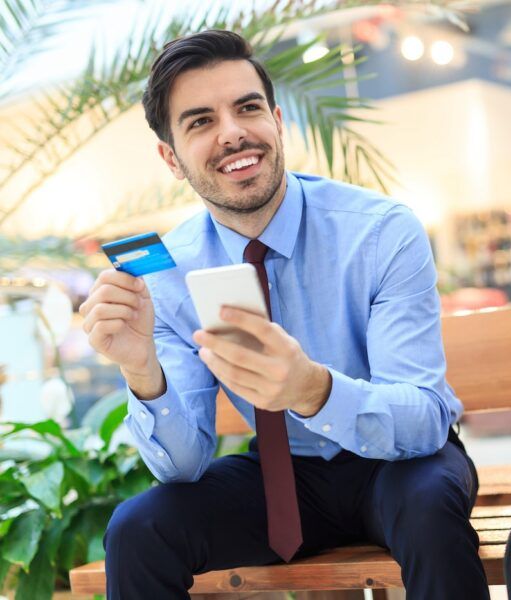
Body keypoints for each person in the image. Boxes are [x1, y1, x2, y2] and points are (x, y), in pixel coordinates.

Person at [78, 29, 489, 600]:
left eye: (247, 108)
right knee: (137, 529)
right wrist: (142, 370)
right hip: (280, 476)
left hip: (397, 463)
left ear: (277, 120)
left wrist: (313, 390)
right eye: (200, 121)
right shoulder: (166, 273)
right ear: (171, 157)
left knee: (427, 509)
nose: (232, 133)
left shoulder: (379, 231)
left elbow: (423, 421)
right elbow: (183, 466)